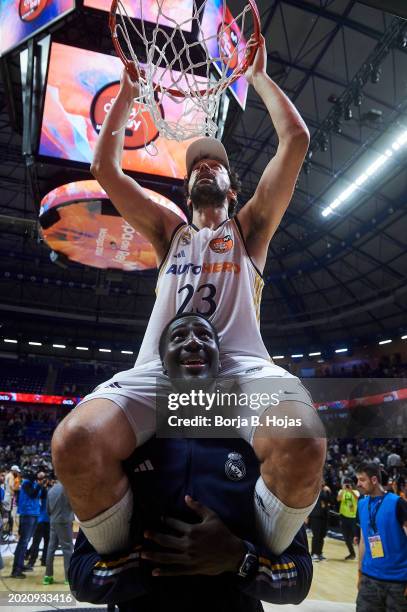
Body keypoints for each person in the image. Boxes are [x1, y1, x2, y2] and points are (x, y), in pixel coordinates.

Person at [52, 35, 326, 559]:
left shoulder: (250, 231)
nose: (204, 166)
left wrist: (259, 79)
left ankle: (253, 557)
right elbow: (105, 171)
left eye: (215, 165)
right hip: (160, 371)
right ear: (185, 189)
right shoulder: (169, 231)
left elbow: (296, 139)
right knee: (73, 444)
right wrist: (129, 95)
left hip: (239, 370)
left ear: (232, 189)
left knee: (303, 441)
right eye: (196, 164)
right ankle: (118, 562)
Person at [69, 313, 313, 611]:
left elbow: (299, 576)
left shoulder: (257, 447)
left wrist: (239, 558)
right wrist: (158, 560)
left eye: (205, 335)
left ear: (219, 360)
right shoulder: (125, 449)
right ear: (161, 363)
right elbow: (81, 576)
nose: (194, 341)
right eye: (178, 337)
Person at [356, 462, 407, 612]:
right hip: (369, 578)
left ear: (374, 480)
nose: (358, 484)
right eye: (357, 480)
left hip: (398, 582)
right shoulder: (361, 504)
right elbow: (363, 540)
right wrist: (359, 572)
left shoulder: (398, 503)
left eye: (362, 480)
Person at [10, 469, 44, 578]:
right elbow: (33, 495)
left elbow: (41, 495)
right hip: (27, 514)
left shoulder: (33, 483)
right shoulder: (26, 483)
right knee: (23, 541)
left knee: (26, 541)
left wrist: (42, 485)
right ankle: (16, 570)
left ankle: (20, 565)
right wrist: (39, 484)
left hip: (34, 513)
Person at [43, 479, 74, 585]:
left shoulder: (51, 490)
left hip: (53, 520)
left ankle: (48, 576)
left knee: (51, 548)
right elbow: (73, 505)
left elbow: (47, 508)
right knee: (68, 548)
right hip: (64, 521)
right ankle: (68, 577)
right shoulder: (67, 489)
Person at [25, 475, 51, 569]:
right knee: (46, 542)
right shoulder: (48, 491)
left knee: (36, 542)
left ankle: (32, 562)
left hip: (41, 520)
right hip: (47, 520)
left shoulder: (41, 490)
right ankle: (43, 560)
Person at [308, 480, 332, 562]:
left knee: (322, 535)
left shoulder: (326, 490)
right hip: (315, 515)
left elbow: (331, 501)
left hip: (324, 515)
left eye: (323, 481)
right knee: (316, 535)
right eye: (321, 481)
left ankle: (319, 553)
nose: (322, 482)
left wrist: (329, 492)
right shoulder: (314, 490)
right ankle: (313, 553)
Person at [337, 477, 359, 560]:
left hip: (352, 517)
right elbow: (338, 499)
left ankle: (361, 554)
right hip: (343, 516)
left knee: (356, 537)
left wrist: (351, 491)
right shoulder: (342, 491)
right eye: (345, 484)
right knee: (346, 537)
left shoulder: (355, 492)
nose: (347, 485)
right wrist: (343, 490)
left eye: (348, 484)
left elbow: (357, 499)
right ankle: (352, 553)